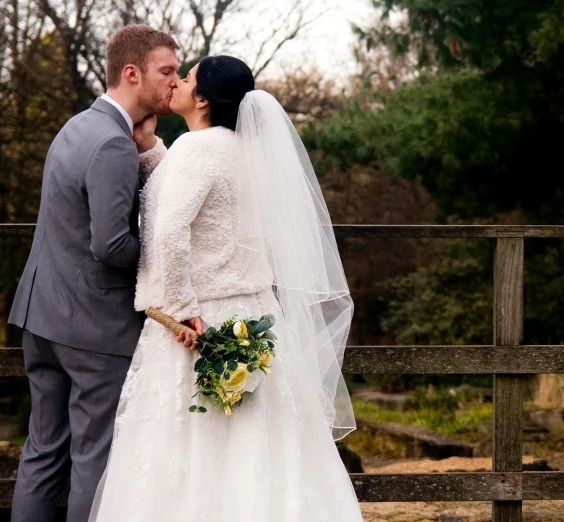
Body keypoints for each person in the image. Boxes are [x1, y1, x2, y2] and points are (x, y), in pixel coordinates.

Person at [88, 55, 364, 521]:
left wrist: (179, 308)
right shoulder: (239, 149)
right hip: (254, 315)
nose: (176, 82)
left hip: (204, 318)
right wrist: (152, 148)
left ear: (202, 98)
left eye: (187, 77)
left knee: (193, 446)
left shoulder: (199, 150)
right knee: (259, 442)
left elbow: (170, 231)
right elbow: (190, 194)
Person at [7, 25, 179, 522]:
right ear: (132, 73)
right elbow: (112, 246)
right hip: (93, 329)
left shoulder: (78, 125)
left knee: (42, 450)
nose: (173, 82)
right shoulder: (112, 145)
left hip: (42, 316)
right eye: (165, 71)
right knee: (94, 459)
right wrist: (167, 255)